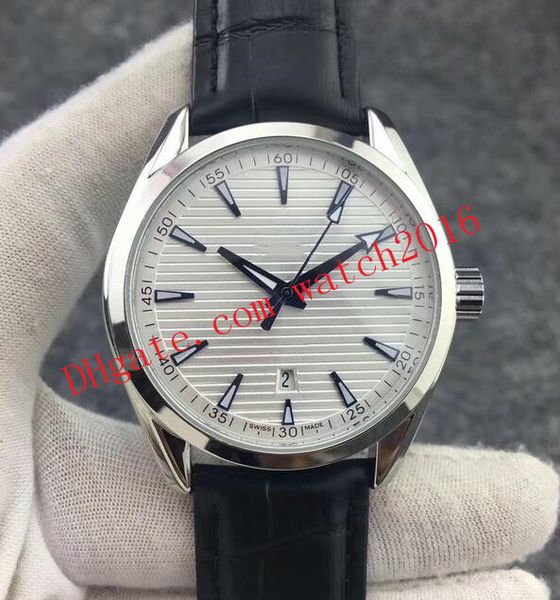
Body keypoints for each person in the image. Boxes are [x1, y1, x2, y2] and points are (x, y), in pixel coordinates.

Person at [0, 24, 557, 600]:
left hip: (254, 428)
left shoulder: (349, 148)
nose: (287, 299)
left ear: (451, 297)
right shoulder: (366, 150)